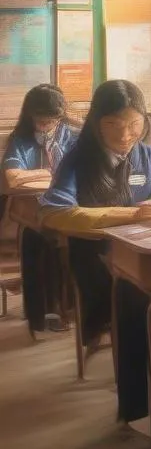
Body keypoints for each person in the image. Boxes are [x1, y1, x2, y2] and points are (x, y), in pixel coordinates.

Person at [40, 80, 151, 369]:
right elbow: (55, 212)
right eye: (113, 124)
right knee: (135, 298)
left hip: (145, 246)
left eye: (134, 124)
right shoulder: (78, 159)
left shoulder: (148, 155)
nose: (125, 134)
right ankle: (150, 372)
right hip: (96, 251)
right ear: (96, 123)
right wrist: (131, 215)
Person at [1, 84, 78, 333]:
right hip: (33, 210)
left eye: (51, 120)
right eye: (40, 120)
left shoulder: (73, 135)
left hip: (69, 206)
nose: (45, 126)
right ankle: (41, 313)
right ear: (30, 115)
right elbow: (13, 176)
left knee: (71, 241)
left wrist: (34, 175)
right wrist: (47, 173)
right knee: (37, 239)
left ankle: (68, 309)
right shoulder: (21, 139)